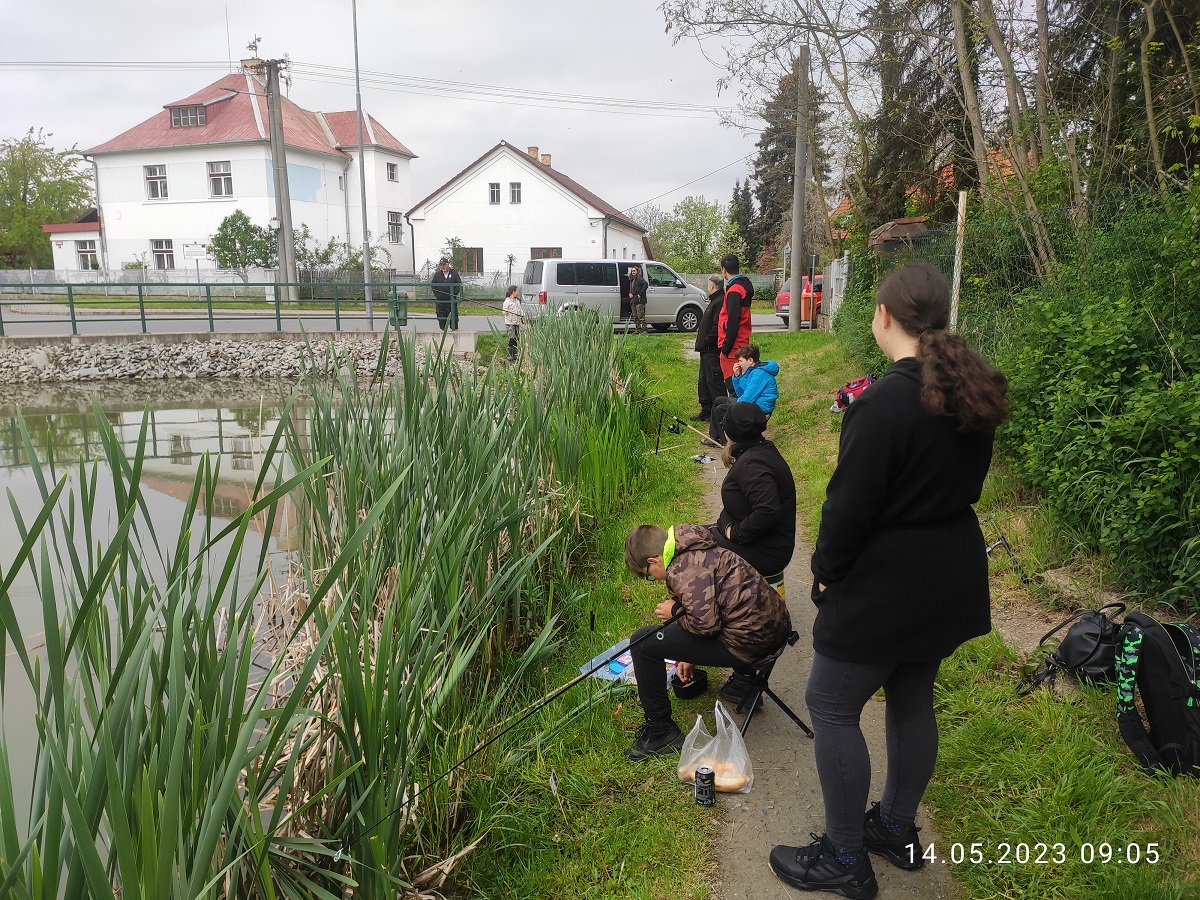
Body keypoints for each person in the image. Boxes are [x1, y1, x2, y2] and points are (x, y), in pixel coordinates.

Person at [768, 263, 1009, 899]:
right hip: (948, 573)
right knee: (910, 695)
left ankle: (846, 856)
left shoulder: (879, 405)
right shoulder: (970, 390)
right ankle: (895, 827)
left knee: (830, 703)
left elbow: (848, 511)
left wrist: (825, 574)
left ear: (883, 317)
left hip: (888, 580)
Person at [622, 523, 792, 761]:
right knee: (669, 632)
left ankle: (660, 731)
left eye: (648, 576)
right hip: (775, 630)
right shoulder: (695, 545)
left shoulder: (681, 569)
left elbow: (705, 626)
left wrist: (675, 611)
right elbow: (712, 608)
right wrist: (688, 654)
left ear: (653, 561)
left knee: (642, 643)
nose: (654, 579)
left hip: (750, 644)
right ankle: (743, 683)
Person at [708, 344, 778, 446]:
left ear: (750, 360)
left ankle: (728, 445)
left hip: (760, 408)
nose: (738, 364)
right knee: (719, 400)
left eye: (740, 361)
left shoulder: (759, 374)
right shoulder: (752, 370)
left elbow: (747, 399)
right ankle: (715, 437)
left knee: (721, 409)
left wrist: (733, 408)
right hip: (752, 403)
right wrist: (737, 377)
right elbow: (741, 394)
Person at [691, 275, 727, 422]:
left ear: (712, 285)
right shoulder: (714, 300)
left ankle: (721, 412)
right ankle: (706, 410)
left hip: (711, 349)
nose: (708, 286)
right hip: (705, 349)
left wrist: (707, 341)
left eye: (708, 284)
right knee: (704, 381)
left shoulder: (719, 301)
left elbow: (717, 326)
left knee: (714, 381)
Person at [717, 253, 754, 390]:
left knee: (734, 390)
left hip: (733, 348)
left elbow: (733, 321)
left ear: (724, 270)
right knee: (739, 388)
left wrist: (725, 349)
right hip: (740, 344)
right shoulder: (742, 287)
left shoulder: (734, 290)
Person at [431, 257, 462, 331]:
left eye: (444, 264)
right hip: (440, 300)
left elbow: (459, 285)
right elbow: (433, 285)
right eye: (441, 265)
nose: (443, 266)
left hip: (451, 300)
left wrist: (453, 294)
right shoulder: (437, 275)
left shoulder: (454, 274)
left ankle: (454, 330)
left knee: (453, 317)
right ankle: (443, 331)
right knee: (441, 316)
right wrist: (437, 295)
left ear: (448, 264)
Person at [501, 284, 522, 362]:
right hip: (510, 323)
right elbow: (503, 312)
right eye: (517, 291)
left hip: (517, 322)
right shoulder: (507, 301)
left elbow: (520, 310)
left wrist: (523, 316)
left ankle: (515, 355)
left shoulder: (517, 301)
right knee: (511, 338)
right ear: (513, 292)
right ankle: (510, 355)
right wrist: (506, 312)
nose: (518, 292)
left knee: (516, 339)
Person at [628, 265, 649, 334]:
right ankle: (638, 329)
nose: (633, 272)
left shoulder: (639, 278)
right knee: (635, 316)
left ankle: (644, 329)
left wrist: (640, 294)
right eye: (632, 271)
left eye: (634, 271)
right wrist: (630, 293)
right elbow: (632, 288)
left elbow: (645, 284)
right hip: (633, 300)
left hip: (639, 300)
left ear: (637, 271)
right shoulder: (632, 279)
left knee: (641, 316)